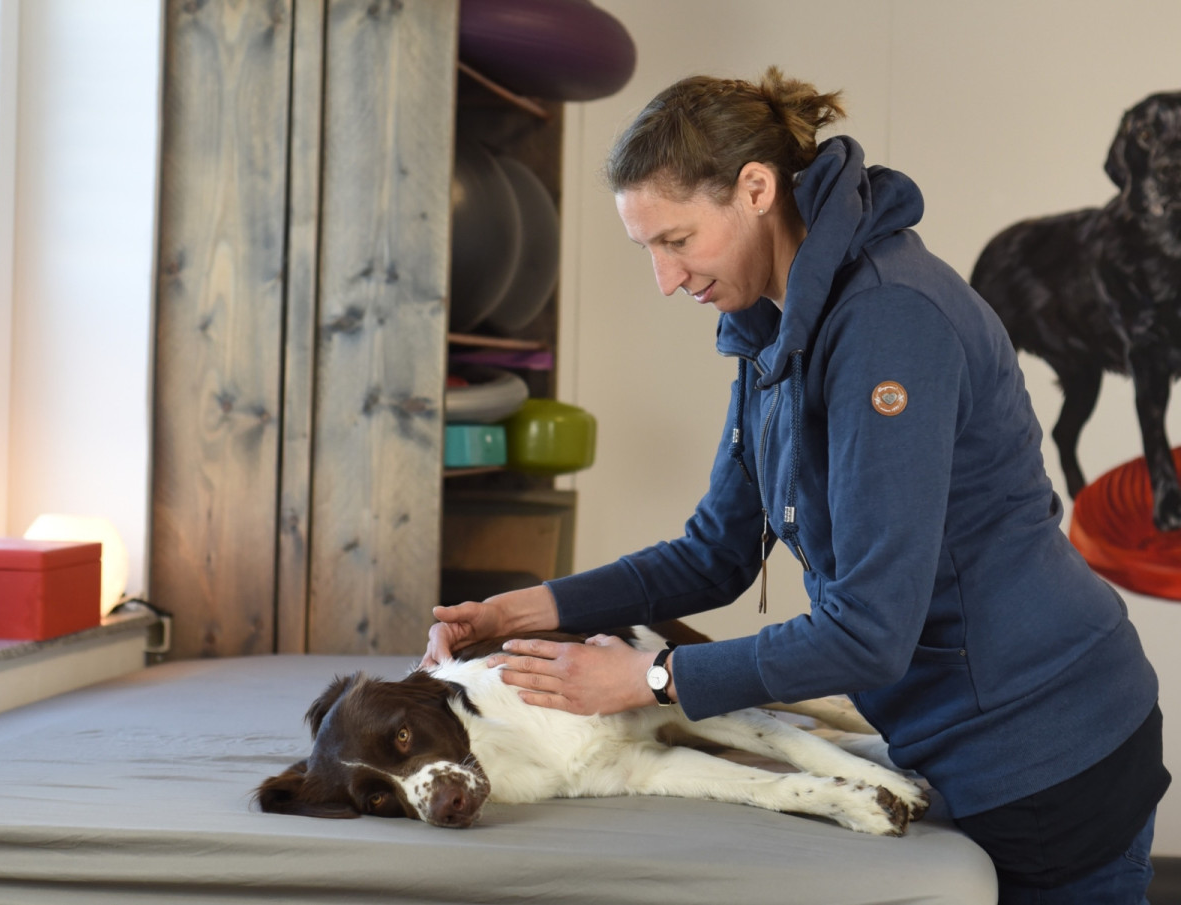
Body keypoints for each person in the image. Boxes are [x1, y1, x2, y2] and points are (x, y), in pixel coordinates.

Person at [423, 67, 1169, 903]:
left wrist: (652, 677)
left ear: (755, 189)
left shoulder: (889, 323)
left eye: (677, 240)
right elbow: (715, 552)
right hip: (959, 733)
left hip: (1049, 745)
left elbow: (869, 632)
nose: (666, 278)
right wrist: (516, 612)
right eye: (648, 250)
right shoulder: (772, 326)